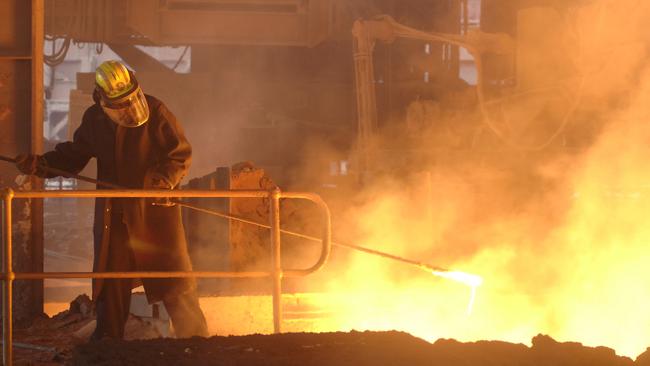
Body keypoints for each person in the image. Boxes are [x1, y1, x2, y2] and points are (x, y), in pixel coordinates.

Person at [16, 60, 208, 340]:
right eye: (118, 105)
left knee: (172, 279)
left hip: (153, 214)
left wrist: (161, 180)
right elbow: (73, 156)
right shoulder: (95, 120)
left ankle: (198, 343)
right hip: (114, 218)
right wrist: (40, 164)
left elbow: (179, 154)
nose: (127, 109)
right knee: (112, 284)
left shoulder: (156, 112)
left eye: (129, 100)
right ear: (101, 98)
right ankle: (108, 345)